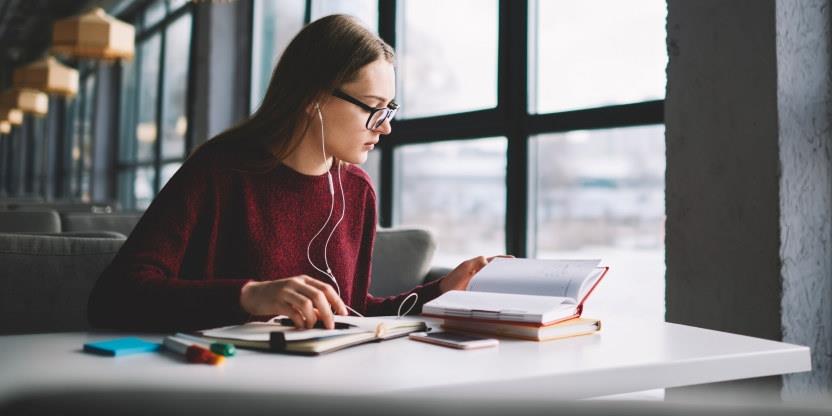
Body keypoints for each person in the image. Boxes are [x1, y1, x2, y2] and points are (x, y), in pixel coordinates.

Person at [87, 14, 498, 332]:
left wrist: (440, 292)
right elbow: (115, 296)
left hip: (319, 387)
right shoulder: (219, 170)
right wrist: (250, 296)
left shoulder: (356, 191)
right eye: (373, 107)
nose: (385, 126)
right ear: (313, 97)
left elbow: (350, 313)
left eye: (389, 110)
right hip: (220, 384)